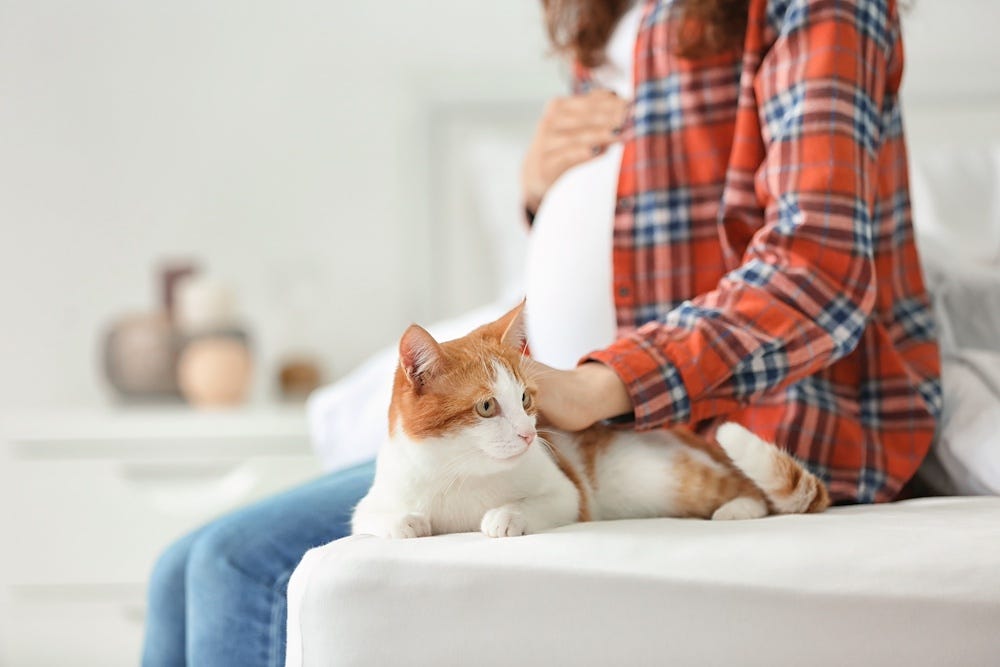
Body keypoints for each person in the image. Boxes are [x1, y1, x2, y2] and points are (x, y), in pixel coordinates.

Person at [141, 1, 940, 664]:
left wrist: (600, 383)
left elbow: (818, 269)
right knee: (177, 567)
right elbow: (632, 225)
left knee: (234, 562)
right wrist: (541, 192)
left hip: (707, 416)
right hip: (557, 412)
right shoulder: (611, 16)